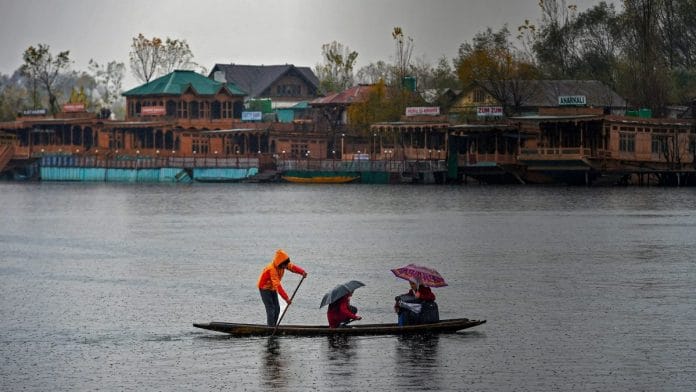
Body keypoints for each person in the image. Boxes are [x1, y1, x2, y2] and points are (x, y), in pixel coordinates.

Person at [257, 249, 307, 326]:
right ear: (280, 263)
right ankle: (271, 328)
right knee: (271, 309)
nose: (285, 267)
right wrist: (286, 298)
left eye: (286, 265)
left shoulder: (283, 264)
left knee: (277, 309)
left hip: (272, 288)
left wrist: (302, 272)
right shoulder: (272, 269)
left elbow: (292, 267)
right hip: (264, 288)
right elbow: (278, 286)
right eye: (284, 265)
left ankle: (274, 326)